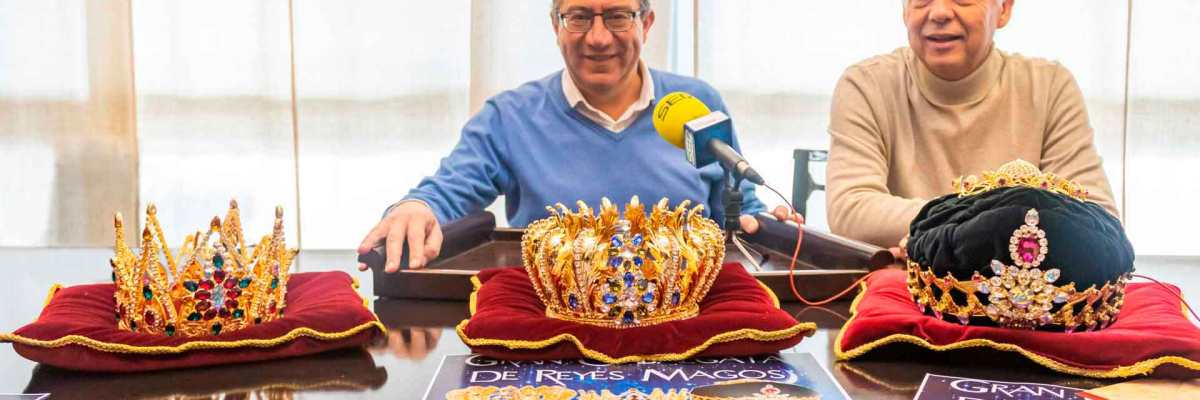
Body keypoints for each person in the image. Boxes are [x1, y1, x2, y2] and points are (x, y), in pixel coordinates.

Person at [359, 0, 798, 273]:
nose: (599, 37)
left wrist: (768, 225)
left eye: (618, 16)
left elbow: (739, 210)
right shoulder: (508, 117)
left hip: (686, 331)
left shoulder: (698, 103)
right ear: (556, 26)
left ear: (646, 24)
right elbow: (445, 193)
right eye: (579, 17)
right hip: (549, 335)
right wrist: (415, 209)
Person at [826, 0, 1118, 254]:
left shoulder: (1048, 87)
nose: (939, 12)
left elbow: (1100, 222)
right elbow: (850, 210)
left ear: (1004, 9)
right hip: (904, 290)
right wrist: (999, 223)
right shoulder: (866, 85)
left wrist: (946, 232)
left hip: (1024, 297)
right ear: (905, 10)